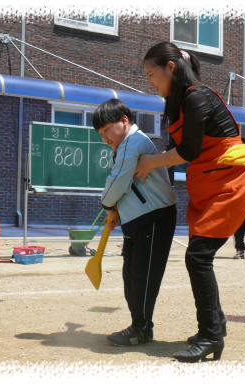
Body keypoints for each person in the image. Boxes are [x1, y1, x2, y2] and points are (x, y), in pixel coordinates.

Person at [134, 42, 245, 362]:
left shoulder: (196, 96)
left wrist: (150, 163)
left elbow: (187, 152)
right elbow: (178, 152)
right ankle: (216, 325)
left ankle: (211, 335)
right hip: (208, 185)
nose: (149, 82)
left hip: (229, 183)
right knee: (198, 256)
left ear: (170, 68)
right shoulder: (177, 103)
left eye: (151, 74)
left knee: (197, 257)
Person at [92, 98, 178, 347]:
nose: (104, 138)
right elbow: (128, 187)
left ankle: (141, 329)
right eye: (100, 133)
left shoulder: (133, 143)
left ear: (124, 120)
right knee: (131, 276)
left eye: (106, 130)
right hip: (140, 219)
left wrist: (108, 206)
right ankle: (138, 326)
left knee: (143, 277)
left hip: (154, 218)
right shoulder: (125, 146)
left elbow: (117, 181)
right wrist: (116, 211)